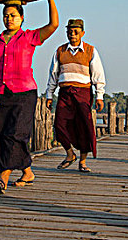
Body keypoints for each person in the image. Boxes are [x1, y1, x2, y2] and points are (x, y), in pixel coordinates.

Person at [0, 0, 59, 194]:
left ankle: (3, 176)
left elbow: (53, 25)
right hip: (1, 93)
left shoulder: (30, 37)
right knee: (3, 134)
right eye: (5, 16)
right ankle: (27, 172)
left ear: (22, 18)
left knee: (16, 133)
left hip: (25, 93)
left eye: (13, 16)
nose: (9, 19)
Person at [45, 18, 106, 172]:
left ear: (82, 33)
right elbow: (53, 74)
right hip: (65, 93)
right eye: (70, 31)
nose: (72, 34)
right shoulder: (60, 51)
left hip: (83, 93)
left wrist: (99, 96)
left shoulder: (90, 50)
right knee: (59, 124)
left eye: (76, 32)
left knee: (84, 126)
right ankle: (70, 154)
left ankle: (83, 162)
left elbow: (98, 75)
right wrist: (49, 95)